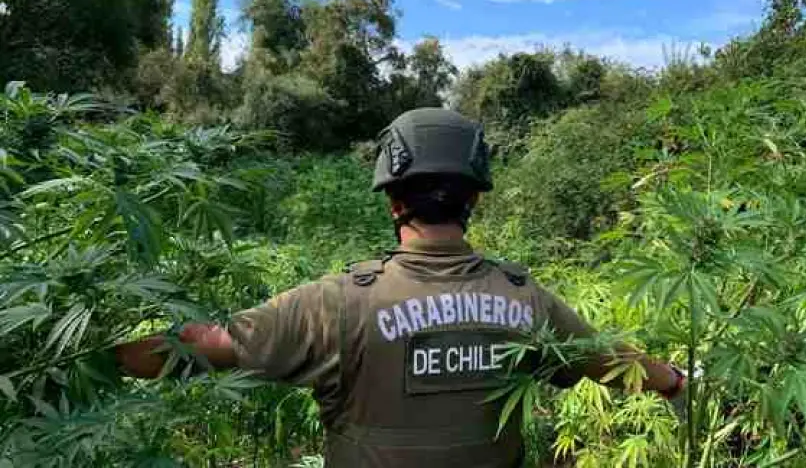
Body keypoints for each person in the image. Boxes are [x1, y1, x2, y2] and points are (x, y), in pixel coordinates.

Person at [115, 108, 694, 467]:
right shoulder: (525, 297)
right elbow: (617, 363)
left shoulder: (336, 301)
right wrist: (673, 382)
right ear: (474, 198)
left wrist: (85, 358)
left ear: (393, 200)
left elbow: (206, 344)